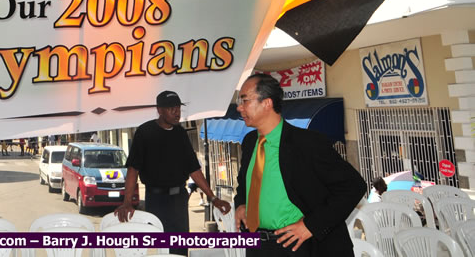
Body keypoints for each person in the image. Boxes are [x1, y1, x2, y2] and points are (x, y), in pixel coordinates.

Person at [234, 73, 366, 256]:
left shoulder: (306, 143)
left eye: (244, 100)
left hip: (299, 246)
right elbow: (244, 184)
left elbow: (353, 186)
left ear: (267, 103)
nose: (239, 107)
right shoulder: (250, 142)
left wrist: (311, 226)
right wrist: (241, 203)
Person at [116, 91, 231, 256]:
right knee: (160, 249)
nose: (177, 112)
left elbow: (194, 169)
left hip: (179, 200)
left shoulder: (181, 134)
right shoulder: (145, 132)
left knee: (180, 248)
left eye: (178, 108)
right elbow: (133, 169)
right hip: (156, 200)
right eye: (171, 109)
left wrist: (213, 198)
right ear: (159, 110)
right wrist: (127, 202)